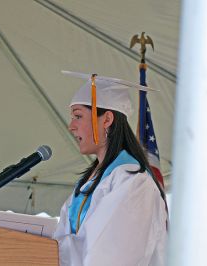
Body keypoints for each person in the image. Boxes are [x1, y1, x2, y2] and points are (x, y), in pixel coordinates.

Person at [53, 71, 168, 266]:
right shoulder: (88, 182)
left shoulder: (133, 181)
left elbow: (110, 256)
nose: (71, 126)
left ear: (106, 120)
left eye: (78, 116)